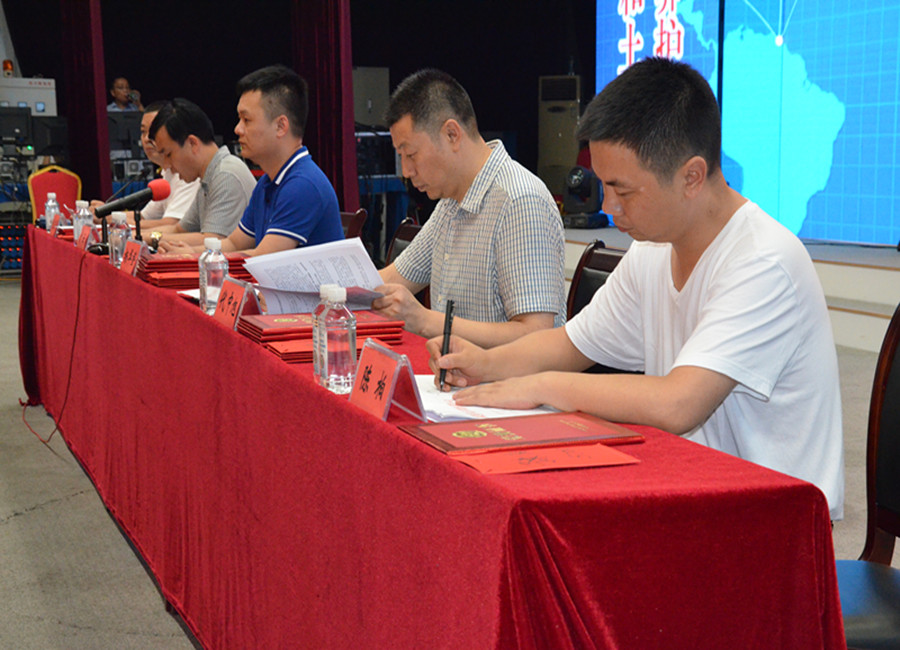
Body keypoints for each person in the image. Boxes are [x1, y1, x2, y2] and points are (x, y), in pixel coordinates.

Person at [430, 57, 844, 520]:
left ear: (691, 177)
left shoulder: (763, 261)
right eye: (604, 186)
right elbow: (569, 345)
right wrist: (485, 365)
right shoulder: (653, 249)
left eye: (623, 191)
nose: (609, 206)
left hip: (772, 518)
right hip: (693, 489)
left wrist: (539, 386)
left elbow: (678, 403)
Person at [372, 69, 566, 349]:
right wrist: (328, 290)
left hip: (507, 378)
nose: (406, 171)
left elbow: (536, 336)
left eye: (411, 154)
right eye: (401, 156)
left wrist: (426, 321)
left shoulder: (520, 200)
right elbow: (395, 278)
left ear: (452, 134)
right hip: (454, 372)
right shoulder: (451, 202)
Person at [161, 65, 343, 257]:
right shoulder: (267, 182)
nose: (237, 129)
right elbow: (234, 243)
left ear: (281, 126)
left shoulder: (303, 184)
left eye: (246, 120)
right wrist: (190, 252)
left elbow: (264, 258)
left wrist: (194, 257)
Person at [150, 98, 257, 250]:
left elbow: (212, 241)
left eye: (169, 154)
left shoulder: (226, 175)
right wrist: (137, 236)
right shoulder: (209, 177)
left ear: (192, 143)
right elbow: (179, 230)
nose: (166, 165)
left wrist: (148, 238)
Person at [91, 101, 200, 232]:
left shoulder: (188, 174)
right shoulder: (168, 173)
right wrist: (107, 212)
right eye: (143, 132)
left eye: (154, 131)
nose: (147, 138)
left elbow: (173, 224)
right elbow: (144, 216)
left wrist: (113, 219)